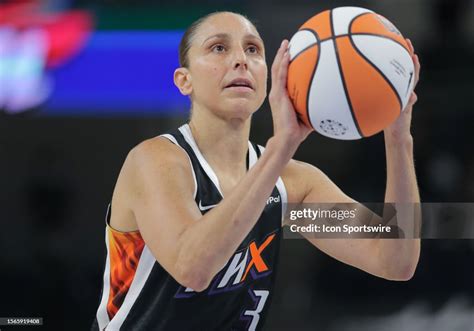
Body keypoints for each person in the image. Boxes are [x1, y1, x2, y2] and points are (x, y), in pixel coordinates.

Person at [91, 11, 421, 331]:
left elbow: (394, 259)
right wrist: (281, 148)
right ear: (184, 80)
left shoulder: (292, 187)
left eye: (253, 49)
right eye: (218, 47)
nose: (241, 60)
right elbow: (192, 268)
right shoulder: (156, 161)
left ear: (267, 76)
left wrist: (398, 140)